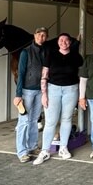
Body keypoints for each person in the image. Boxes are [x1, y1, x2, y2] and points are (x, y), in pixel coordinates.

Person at [33, 32, 83, 165]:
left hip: (71, 90)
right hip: (53, 89)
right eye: (61, 40)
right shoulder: (51, 54)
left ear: (70, 43)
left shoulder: (75, 56)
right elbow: (44, 75)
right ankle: (45, 151)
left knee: (66, 119)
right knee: (50, 122)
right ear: (58, 42)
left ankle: (63, 148)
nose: (64, 42)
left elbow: (81, 70)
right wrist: (44, 94)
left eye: (67, 40)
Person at [13, 26, 48, 162]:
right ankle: (21, 151)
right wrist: (18, 94)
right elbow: (20, 73)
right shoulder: (25, 52)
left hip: (40, 90)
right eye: (39, 34)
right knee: (24, 121)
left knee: (34, 120)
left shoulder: (45, 51)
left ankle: (32, 146)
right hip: (27, 91)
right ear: (34, 36)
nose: (41, 37)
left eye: (44, 35)